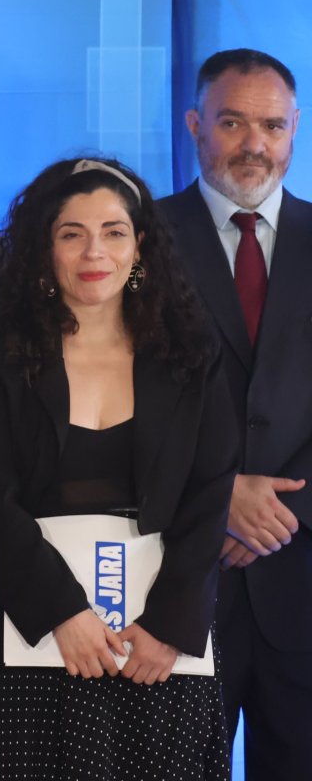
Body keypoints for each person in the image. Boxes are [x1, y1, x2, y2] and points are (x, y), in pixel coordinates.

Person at [0, 157, 235, 780]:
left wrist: (169, 627)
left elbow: (210, 496)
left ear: (140, 245)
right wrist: (62, 614)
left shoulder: (191, 358)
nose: (93, 251)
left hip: (154, 642)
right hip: (27, 629)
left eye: (114, 231)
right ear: (44, 249)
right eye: (72, 233)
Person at [158, 48, 312, 780]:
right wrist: (220, 496)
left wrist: (282, 508)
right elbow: (113, 397)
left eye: (272, 125)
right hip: (183, 579)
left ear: (295, 130)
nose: (254, 143)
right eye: (232, 121)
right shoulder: (136, 243)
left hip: (304, 574)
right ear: (194, 125)